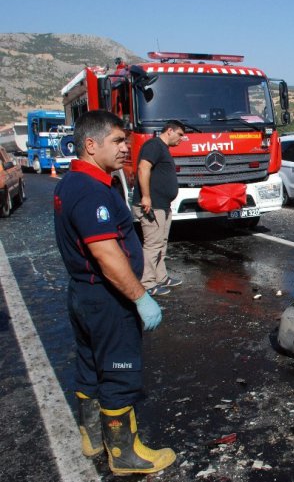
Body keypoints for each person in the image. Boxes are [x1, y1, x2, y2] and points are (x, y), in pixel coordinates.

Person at [53, 110, 175, 475]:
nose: (127, 148)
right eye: (118, 141)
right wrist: (140, 298)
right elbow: (107, 255)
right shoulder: (91, 192)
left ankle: (92, 437)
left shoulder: (73, 182)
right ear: (91, 145)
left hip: (83, 293)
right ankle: (125, 456)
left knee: (91, 367)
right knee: (120, 373)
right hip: (107, 299)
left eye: (127, 141)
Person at [132, 121, 185, 296]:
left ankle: (161, 277)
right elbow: (143, 168)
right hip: (152, 205)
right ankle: (147, 283)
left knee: (161, 243)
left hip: (162, 205)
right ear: (169, 131)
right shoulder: (153, 145)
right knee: (153, 244)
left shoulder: (162, 148)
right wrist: (146, 197)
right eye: (180, 134)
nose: (182, 139)